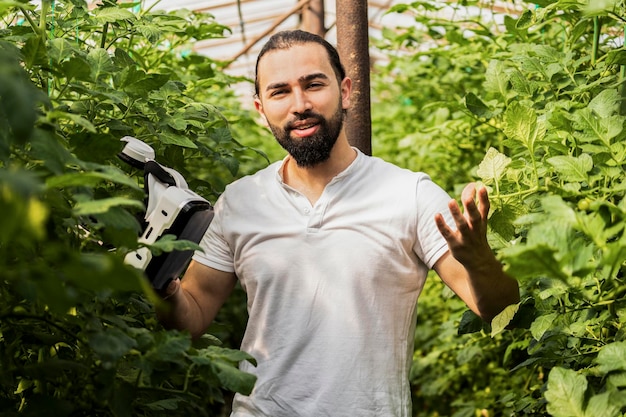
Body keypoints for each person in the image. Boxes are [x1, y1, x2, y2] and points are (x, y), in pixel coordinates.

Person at [157, 29, 520, 417]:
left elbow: (501, 309)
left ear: (345, 92)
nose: (300, 104)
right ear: (261, 109)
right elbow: (191, 317)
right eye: (280, 92)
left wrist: (479, 259)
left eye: (314, 84)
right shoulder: (241, 201)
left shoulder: (409, 193)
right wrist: (159, 282)